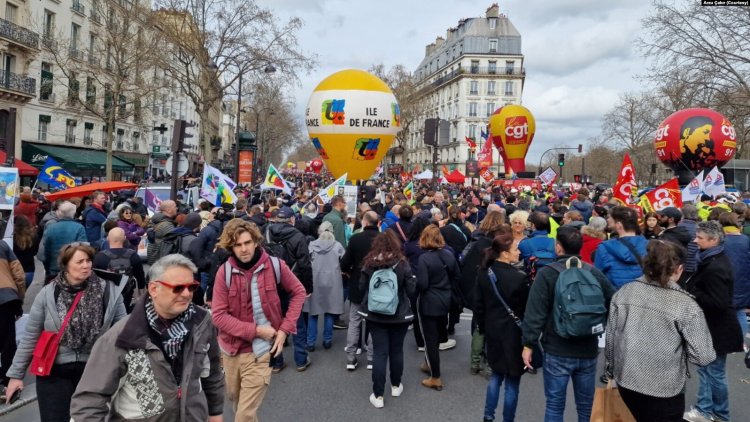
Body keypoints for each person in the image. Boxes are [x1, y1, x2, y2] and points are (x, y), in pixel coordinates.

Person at [70, 254, 225, 421]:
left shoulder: (201, 321)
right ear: (153, 289)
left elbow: (213, 372)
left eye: (192, 287)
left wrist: (215, 412)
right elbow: (90, 400)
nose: (187, 294)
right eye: (178, 288)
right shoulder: (122, 336)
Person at [5, 244, 126, 421]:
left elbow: (124, 332)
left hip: (94, 369)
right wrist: (16, 375)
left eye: (88, 260)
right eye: (79, 261)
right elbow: (30, 337)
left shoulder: (109, 291)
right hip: (54, 371)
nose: (86, 265)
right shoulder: (47, 294)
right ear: (66, 265)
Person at [605, 240, 715, 422]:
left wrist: (610, 370)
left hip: (627, 380)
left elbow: (611, 338)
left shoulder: (625, 292)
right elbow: (703, 356)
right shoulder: (685, 304)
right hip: (664, 387)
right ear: (679, 269)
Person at [211, 219, 306, 422]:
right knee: (237, 405)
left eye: (247, 242)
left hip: (261, 352)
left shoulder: (275, 266)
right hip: (231, 351)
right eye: (238, 245)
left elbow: (299, 292)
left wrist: (284, 329)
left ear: (256, 242)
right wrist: (256, 330)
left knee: (243, 416)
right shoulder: (224, 273)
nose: (244, 249)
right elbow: (218, 315)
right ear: (231, 247)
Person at [521, 226, 615, 422]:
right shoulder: (593, 272)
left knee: (555, 405)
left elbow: (535, 312)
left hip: (557, 347)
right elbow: (612, 302)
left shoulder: (548, 273)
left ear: (558, 248)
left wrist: (529, 343)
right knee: (586, 406)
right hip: (587, 347)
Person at [682, 221, 744, 422]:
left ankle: (713, 412)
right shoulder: (712, 260)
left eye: (700, 238)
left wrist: (694, 291)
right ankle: (710, 410)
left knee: (712, 373)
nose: (695, 240)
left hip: (716, 328)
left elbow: (718, 302)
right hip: (715, 327)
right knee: (709, 371)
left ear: (714, 240)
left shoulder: (715, 266)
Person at [475, 231, 530, 422]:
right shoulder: (519, 278)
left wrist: (482, 328)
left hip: (493, 329)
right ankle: (508, 419)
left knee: (495, 376)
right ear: (505, 253)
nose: (519, 252)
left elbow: (479, 305)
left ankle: (488, 416)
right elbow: (525, 310)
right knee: (512, 382)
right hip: (514, 334)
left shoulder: (484, 273)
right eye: (515, 249)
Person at [358, 231, 417, 408]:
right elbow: (412, 290)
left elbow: (361, 287)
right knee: (397, 350)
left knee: (379, 352)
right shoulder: (403, 263)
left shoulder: (369, 263)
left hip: (375, 314)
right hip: (399, 314)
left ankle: (378, 395)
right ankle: (396, 385)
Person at [266, 206, 313, 371]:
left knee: (274, 321)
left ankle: (276, 362)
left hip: (271, 284)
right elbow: (305, 264)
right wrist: (307, 287)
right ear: (292, 219)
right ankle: (300, 360)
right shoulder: (298, 236)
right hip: (293, 283)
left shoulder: (267, 233)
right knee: (297, 322)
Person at [416, 224, 461, 391]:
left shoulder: (424, 259)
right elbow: (457, 276)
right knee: (437, 335)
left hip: (428, 301)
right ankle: (429, 364)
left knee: (430, 340)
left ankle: (435, 376)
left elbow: (423, 284)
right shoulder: (449, 255)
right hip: (445, 299)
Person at [340, 210, 380, 370]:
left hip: (357, 283)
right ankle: (371, 357)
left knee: (354, 321)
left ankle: (351, 357)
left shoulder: (356, 239)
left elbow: (344, 263)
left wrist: (350, 272)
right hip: (378, 286)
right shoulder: (383, 240)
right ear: (378, 223)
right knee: (374, 321)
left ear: (364, 222)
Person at [307, 221, 346, 350]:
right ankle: (327, 340)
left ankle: (310, 342)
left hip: (315, 280)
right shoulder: (338, 246)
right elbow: (344, 262)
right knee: (330, 311)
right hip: (333, 281)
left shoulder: (312, 245)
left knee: (313, 312)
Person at [93, 228, 146, 314]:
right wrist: (141, 294)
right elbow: (140, 277)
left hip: (107, 295)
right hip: (127, 292)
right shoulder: (133, 255)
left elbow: (94, 280)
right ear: (124, 238)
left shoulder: (99, 257)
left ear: (108, 238)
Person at [594, 206, 648, 290]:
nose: (607, 220)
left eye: (610, 218)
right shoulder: (649, 246)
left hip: (615, 296)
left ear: (619, 225)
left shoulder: (605, 247)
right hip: (642, 296)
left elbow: (598, 277)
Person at [719, 212, 750, 342]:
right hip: (743, 279)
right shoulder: (745, 239)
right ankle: (741, 340)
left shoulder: (720, 240)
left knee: (723, 312)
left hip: (724, 279)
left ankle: (726, 339)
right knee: (739, 311)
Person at [38, 201, 88, 281]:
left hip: (54, 267)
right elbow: (84, 249)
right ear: (73, 213)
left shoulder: (51, 227)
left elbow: (46, 249)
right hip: (72, 268)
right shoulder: (79, 228)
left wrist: (48, 266)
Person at [0, 241, 25, 394]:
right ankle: (9, 379)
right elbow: (18, 273)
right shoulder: (2, 245)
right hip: (5, 298)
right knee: (8, 343)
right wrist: (19, 298)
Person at [146, 200, 177, 265]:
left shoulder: (157, 220)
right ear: (169, 210)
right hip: (161, 260)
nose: (177, 208)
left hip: (155, 257)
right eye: (175, 207)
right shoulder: (167, 225)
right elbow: (174, 243)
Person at [13, 215, 40, 287]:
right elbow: (35, 252)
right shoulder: (34, 236)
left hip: (14, 271)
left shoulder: (12, 238)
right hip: (29, 270)